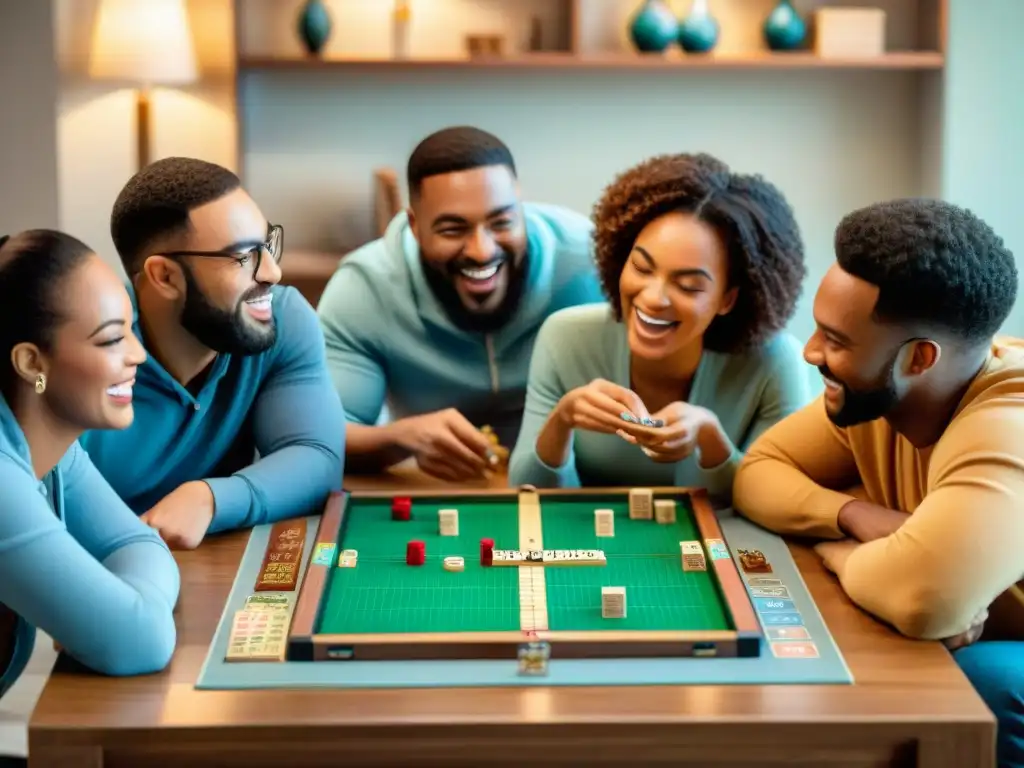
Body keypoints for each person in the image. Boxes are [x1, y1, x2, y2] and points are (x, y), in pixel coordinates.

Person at [731, 198, 1024, 768]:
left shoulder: (1008, 424)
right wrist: (860, 517)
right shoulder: (876, 401)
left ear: (919, 359)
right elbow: (759, 474)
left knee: (985, 680)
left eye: (836, 341)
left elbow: (924, 599)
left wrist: (839, 554)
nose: (811, 352)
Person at [507, 152, 810, 500]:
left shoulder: (776, 362)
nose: (653, 298)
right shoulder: (564, 337)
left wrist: (710, 439)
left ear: (728, 298)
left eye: (688, 286)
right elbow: (526, 492)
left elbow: (775, 500)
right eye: (641, 267)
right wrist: (562, 421)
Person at [79, 157, 345, 551]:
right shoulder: (82, 350)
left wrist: (210, 498)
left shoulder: (280, 318)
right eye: (243, 256)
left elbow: (317, 458)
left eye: (267, 245)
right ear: (165, 276)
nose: (272, 272)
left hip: (204, 566)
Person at [316, 126, 605, 482]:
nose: (482, 251)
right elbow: (320, 436)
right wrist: (400, 438)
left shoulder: (589, 261)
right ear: (415, 225)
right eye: (453, 229)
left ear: (520, 208)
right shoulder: (364, 287)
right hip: (436, 489)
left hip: (575, 483)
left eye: (501, 222)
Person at [0, 230, 179, 706]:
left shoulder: (54, 447)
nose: (138, 354)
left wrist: (130, 608)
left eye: (132, 329)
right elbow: (140, 641)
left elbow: (138, 543)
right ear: (30, 361)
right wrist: (125, 614)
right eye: (112, 339)